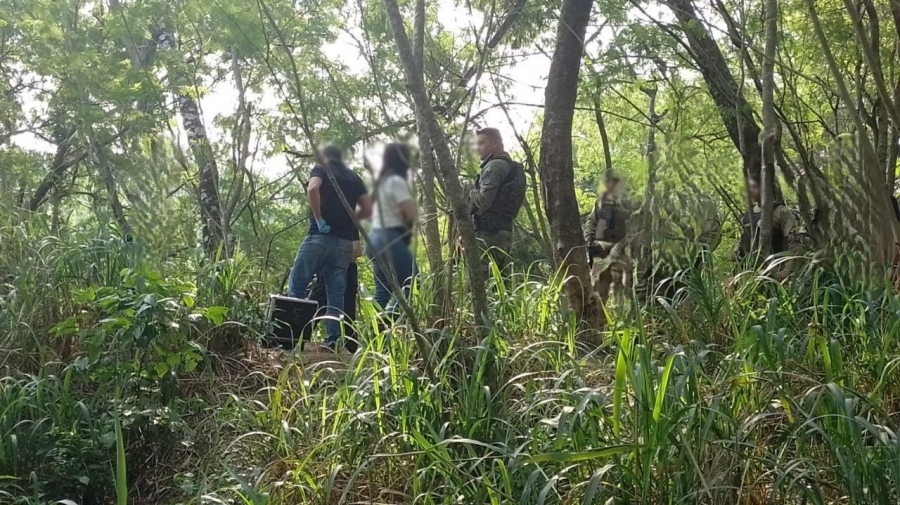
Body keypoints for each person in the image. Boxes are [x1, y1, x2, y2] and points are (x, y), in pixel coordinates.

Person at [287, 146, 371, 352]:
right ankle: (333, 340)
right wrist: (350, 222)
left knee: (297, 285)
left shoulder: (321, 169)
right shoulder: (354, 178)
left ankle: (289, 338)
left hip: (319, 237)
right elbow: (368, 208)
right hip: (343, 243)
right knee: (336, 294)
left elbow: (313, 188)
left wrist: (319, 218)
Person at [468, 127, 527, 274]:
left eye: (481, 143)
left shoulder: (493, 167)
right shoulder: (510, 167)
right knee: (499, 285)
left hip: (488, 236)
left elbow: (483, 201)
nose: (477, 148)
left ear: (494, 143)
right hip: (504, 233)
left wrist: (469, 189)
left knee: (482, 285)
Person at [368, 143, 417, 315]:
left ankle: (373, 337)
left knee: (383, 293)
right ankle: (384, 327)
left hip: (374, 240)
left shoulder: (381, 183)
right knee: (412, 283)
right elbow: (410, 213)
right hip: (391, 239)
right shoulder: (397, 182)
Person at [584, 172, 634, 303]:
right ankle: (599, 319)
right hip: (600, 250)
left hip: (621, 251)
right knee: (598, 287)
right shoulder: (600, 201)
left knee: (621, 289)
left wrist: (619, 246)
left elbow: (634, 229)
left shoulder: (628, 202)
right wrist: (588, 238)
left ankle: (624, 318)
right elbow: (591, 221)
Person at [736, 175, 800, 276]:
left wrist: (785, 272)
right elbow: (742, 242)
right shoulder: (747, 213)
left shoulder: (780, 211)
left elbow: (795, 244)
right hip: (748, 274)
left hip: (774, 271)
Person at [307, 241, 361, 353]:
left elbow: (357, 251)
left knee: (346, 310)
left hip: (347, 269)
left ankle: (348, 345)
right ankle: (294, 338)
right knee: (314, 305)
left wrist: (339, 255)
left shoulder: (350, 226)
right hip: (326, 268)